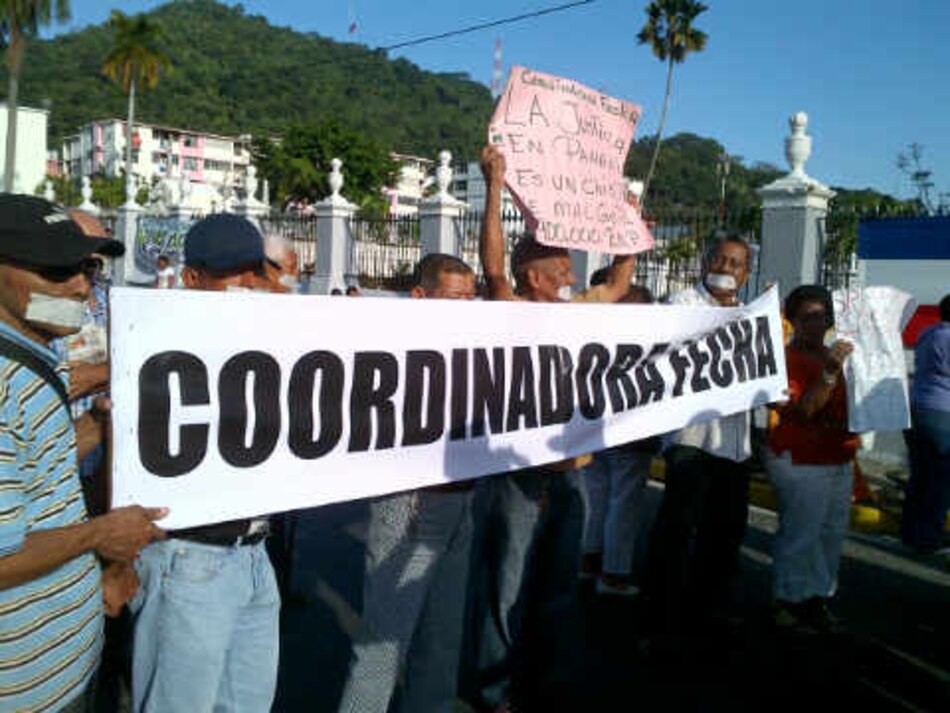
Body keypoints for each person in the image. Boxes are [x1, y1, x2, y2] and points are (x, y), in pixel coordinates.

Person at [472, 144, 636, 710]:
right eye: (559, 263)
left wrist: (626, 222)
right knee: (506, 588)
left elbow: (619, 282)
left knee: (556, 589)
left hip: (571, 476)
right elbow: (492, 265)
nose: (571, 270)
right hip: (519, 478)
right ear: (531, 275)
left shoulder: (583, 309)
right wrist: (495, 185)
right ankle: (494, 691)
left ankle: (534, 682)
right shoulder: (510, 307)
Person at [0, 195, 167, 712]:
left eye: (87, 267)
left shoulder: (34, 348)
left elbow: (34, 463)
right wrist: (101, 536)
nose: (80, 286)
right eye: (56, 271)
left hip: (62, 670)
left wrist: (96, 424)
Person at [129, 214, 281, 713]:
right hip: (190, 557)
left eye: (256, 272)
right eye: (233, 273)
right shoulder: (154, 342)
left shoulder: (273, 340)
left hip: (256, 554)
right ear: (193, 279)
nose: (250, 285)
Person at [338, 253, 477, 713]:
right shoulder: (390, 344)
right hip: (412, 503)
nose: (466, 306)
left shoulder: (478, 343)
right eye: (455, 297)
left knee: (442, 637)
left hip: (460, 500)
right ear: (420, 296)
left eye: (470, 298)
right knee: (383, 642)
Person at [644, 234, 755, 640]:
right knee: (677, 527)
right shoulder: (681, 304)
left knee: (725, 530)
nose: (726, 268)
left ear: (745, 275)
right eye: (721, 259)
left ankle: (709, 608)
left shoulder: (749, 315)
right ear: (706, 262)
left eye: (736, 263)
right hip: (690, 438)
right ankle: (659, 616)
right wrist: (724, 316)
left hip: (734, 443)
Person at [766, 285, 857, 631]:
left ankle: (817, 597)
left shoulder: (836, 356)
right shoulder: (785, 360)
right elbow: (804, 410)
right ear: (792, 320)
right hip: (800, 458)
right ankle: (787, 598)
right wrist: (830, 373)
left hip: (838, 456)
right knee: (801, 532)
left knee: (831, 533)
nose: (816, 324)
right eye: (807, 317)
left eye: (822, 317)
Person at [580, 284, 661, 596]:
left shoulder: (596, 337)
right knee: (623, 505)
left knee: (597, 498)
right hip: (628, 434)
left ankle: (588, 562)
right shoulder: (642, 345)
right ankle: (613, 574)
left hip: (591, 429)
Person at [902, 294, 950, 554]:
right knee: (940, 479)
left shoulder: (928, 333)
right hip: (942, 412)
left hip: (917, 406)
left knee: (919, 475)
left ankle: (910, 532)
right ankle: (930, 536)